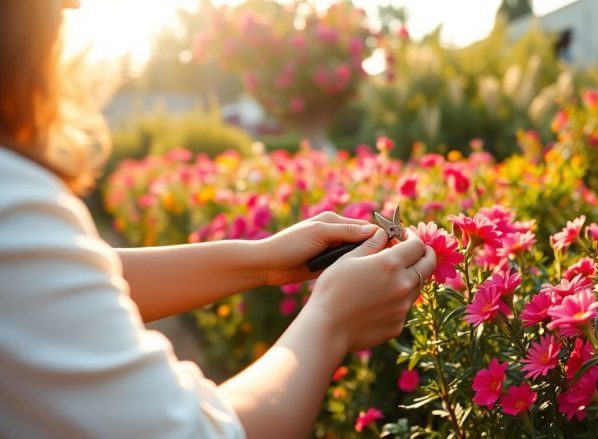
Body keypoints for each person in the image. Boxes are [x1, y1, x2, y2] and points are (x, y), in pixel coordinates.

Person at [0, 1, 437, 438]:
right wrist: (332, 319)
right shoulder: (13, 195)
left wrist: (262, 260)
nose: (75, 6)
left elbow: (56, 286)